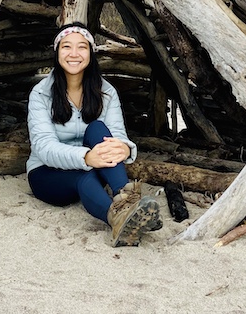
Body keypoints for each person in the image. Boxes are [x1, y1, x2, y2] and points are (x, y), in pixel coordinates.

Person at [26, 22, 161, 247]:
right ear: (57, 52)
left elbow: (116, 135)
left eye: (82, 47)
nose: (74, 54)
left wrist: (124, 148)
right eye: (66, 47)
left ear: (91, 53)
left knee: (97, 128)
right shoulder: (41, 93)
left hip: (95, 164)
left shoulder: (106, 91)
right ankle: (118, 217)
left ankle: (126, 199)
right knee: (83, 177)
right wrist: (86, 157)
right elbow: (43, 147)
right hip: (47, 173)